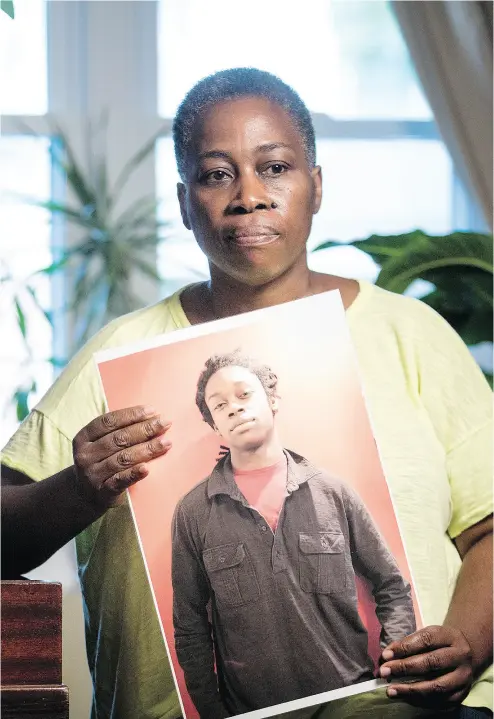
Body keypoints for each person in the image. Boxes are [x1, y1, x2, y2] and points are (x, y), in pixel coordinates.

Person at [1, 68, 492, 719]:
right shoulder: (119, 355)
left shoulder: (410, 335)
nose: (250, 196)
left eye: (276, 167)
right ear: (184, 202)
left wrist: (469, 641)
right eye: (215, 174)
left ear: (316, 186)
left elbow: (484, 530)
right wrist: (78, 486)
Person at [172, 350, 417, 718]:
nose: (235, 409)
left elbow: (392, 586)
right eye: (220, 405)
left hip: (353, 703)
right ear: (215, 427)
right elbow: (189, 624)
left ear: (272, 400)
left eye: (244, 395)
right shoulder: (194, 511)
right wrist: (211, 709)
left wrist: (395, 671)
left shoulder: (334, 492)